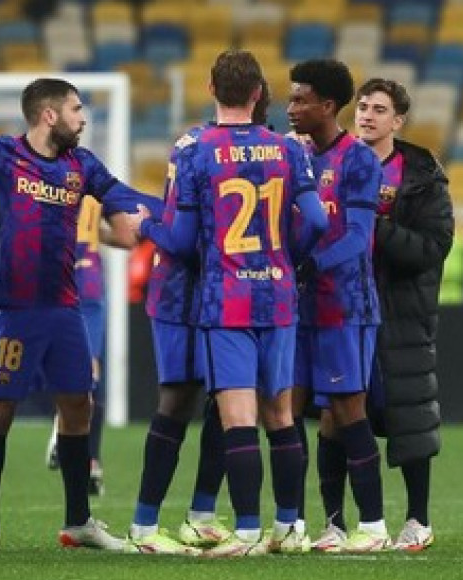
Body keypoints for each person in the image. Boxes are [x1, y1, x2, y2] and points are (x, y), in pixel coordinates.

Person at [0, 77, 155, 553]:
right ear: (49, 115)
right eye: (75, 109)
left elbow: (124, 195)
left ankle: (78, 522)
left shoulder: (82, 165)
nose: (82, 117)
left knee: (78, 407)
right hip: (15, 310)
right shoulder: (1, 155)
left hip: (65, 309)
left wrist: (177, 206)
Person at [130, 50, 327, 557]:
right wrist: (286, 255)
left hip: (226, 296)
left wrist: (144, 226)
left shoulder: (195, 150)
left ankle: (239, 532)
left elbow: (179, 238)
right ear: (260, 93)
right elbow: (319, 222)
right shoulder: (288, 149)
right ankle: (288, 528)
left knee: (233, 416)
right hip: (278, 294)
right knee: (281, 413)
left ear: (212, 88)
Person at [125, 79, 274, 555]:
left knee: (224, 402)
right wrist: (146, 226)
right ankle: (144, 525)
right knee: (177, 400)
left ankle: (201, 516)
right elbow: (179, 229)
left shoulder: (242, 150)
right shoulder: (194, 147)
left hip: (224, 294)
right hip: (178, 294)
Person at [286, 58, 389, 553]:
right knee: (292, 407)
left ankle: (372, 526)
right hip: (300, 309)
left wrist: (312, 265)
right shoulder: (293, 155)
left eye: (300, 99)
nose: (291, 108)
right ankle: (322, 525)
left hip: (346, 306)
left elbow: (359, 239)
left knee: (346, 410)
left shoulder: (359, 160)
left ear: (327, 106)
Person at [351, 78, 450, 550]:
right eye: (363, 106)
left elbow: (433, 247)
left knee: (408, 416)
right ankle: (345, 523)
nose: (367, 115)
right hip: (344, 308)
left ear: (398, 120)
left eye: (379, 109)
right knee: (342, 416)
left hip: (400, 313)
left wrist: (377, 228)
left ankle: (418, 521)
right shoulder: (337, 165)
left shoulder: (420, 175)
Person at [44, 196, 136, 498]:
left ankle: (63, 427)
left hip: (58, 276)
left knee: (60, 362)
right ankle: (92, 459)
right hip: (91, 279)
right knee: (90, 367)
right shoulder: (96, 189)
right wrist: (96, 234)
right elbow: (126, 238)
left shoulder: (45, 182)